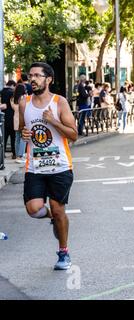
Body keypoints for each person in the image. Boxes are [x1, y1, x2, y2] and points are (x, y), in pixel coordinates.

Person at [19, 62, 78, 270]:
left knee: (57, 207)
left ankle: (63, 252)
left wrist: (53, 121)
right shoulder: (24, 102)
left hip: (59, 166)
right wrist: (24, 134)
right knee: (33, 209)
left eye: (37, 75)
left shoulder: (59, 102)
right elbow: (21, 130)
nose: (32, 79)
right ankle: (55, 218)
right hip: (35, 166)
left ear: (48, 79)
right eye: (30, 75)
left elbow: (73, 135)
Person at [11, 83, 27, 163]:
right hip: (22, 118)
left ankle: (17, 155)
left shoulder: (13, 98)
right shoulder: (24, 98)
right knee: (23, 138)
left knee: (17, 138)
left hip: (15, 119)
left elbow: (14, 108)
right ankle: (21, 156)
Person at [1, 80, 17, 159]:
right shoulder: (12, 93)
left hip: (3, 117)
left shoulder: (1, 92)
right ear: (12, 85)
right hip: (12, 117)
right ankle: (14, 153)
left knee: (4, 137)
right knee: (13, 137)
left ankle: (2, 153)